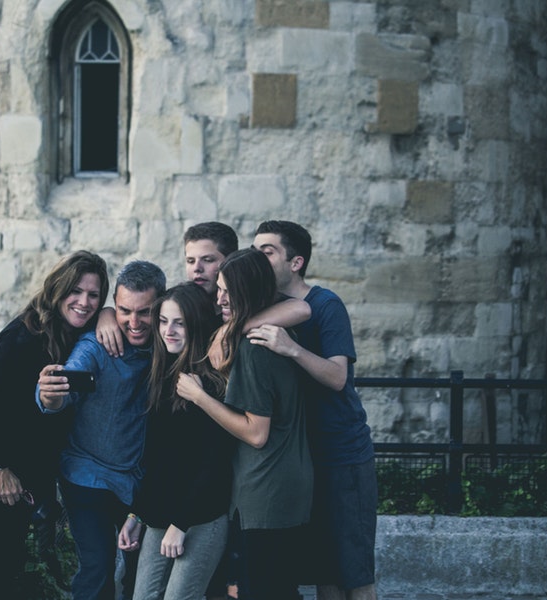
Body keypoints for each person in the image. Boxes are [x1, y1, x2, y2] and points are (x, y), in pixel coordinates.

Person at [0, 250, 109, 600]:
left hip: (19, 464)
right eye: (76, 291)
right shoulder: (23, 334)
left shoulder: (75, 332)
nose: (84, 302)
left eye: (94, 295)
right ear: (58, 290)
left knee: (9, 559)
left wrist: (107, 315)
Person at [249, 220, 377, 600]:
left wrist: (292, 349)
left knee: (354, 574)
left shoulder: (326, 304)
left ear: (296, 262)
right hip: (299, 462)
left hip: (341, 456)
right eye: (254, 249)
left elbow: (338, 377)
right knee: (324, 571)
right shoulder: (267, 308)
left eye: (267, 251)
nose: (258, 257)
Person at [177, 248, 313, 600]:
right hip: (279, 486)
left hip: (266, 489)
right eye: (219, 289)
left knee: (264, 591)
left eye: (227, 291)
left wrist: (199, 396)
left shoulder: (255, 348)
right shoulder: (270, 335)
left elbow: (256, 433)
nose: (219, 298)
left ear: (248, 292)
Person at [36, 260, 166, 600]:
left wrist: (109, 311)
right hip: (87, 472)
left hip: (140, 481)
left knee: (142, 571)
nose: (133, 323)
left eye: (145, 313)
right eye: (124, 311)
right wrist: (50, 397)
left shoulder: (169, 344)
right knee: (97, 566)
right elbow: (69, 381)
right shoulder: (96, 344)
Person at [117, 282, 234, 600]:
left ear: (196, 323)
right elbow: (157, 458)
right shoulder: (159, 373)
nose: (168, 330)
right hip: (161, 514)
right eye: (164, 321)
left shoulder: (208, 381)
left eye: (179, 322)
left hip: (202, 515)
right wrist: (135, 515)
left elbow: (215, 462)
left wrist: (181, 524)